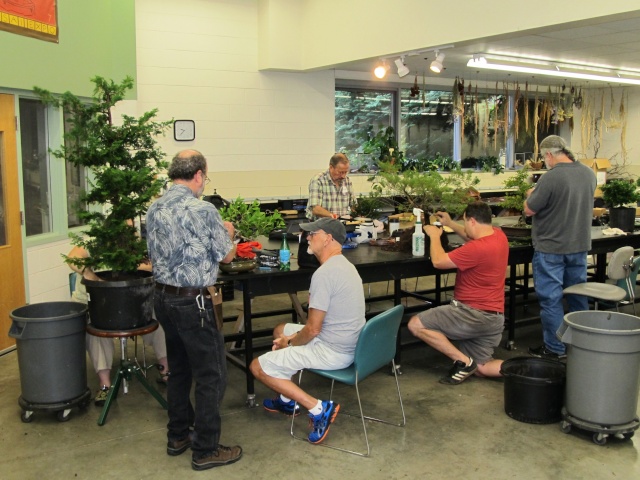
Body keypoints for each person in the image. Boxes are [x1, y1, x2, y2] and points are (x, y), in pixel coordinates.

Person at [146, 149, 242, 471]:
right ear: (199, 174)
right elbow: (227, 257)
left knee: (179, 369)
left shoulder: (153, 209)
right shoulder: (204, 211)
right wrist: (227, 231)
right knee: (211, 374)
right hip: (195, 302)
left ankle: (178, 436)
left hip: (163, 299)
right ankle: (205, 449)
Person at [249, 217, 365, 444]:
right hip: (347, 341)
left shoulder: (324, 274)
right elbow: (313, 328)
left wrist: (289, 343)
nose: (307, 238)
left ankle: (318, 408)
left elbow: (312, 330)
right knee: (281, 329)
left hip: (334, 350)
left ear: (328, 239)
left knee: (257, 366)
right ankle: (286, 399)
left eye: (313, 234)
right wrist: (287, 337)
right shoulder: (345, 266)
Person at [407, 202, 509, 384]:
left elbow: (438, 261)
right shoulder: (499, 236)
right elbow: (472, 237)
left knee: (416, 324)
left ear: (471, 220)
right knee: (483, 367)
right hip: (493, 318)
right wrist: (451, 224)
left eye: (464, 222)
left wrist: (435, 235)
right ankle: (528, 370)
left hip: (470, 315)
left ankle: (463, 362)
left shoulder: (476, 249)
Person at [67, 246, 170, 406]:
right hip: (96, 302)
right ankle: (105, 384)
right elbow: (73, 257)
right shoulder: (92, 243)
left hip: (132, 301)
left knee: (158, 318)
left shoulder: (134, 246)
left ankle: (166, 370)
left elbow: (153, 266)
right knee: (95, 328)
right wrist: (90, 274)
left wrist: (128, 263)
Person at [524, 135, 596, 360]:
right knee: (577, 296)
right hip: (579, 246)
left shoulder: (551, 178)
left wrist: (530, 196)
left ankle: (555, 348)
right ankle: (582, 345)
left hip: (551, 248)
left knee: (551, 299)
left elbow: (529, 210)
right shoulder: (588, 173)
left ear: (548, 155)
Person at [306, 153, 354, 220]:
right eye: (340, 172)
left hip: (341, 225)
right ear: (331, 167)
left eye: (345, 172)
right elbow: (315, 209)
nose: (343, 176)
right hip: (321, 226)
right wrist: (332, 216)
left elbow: (353, 204)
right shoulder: (318, 180)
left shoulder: (347, 181)